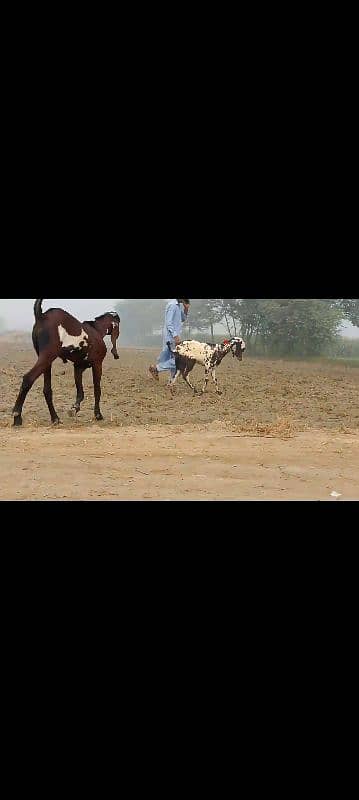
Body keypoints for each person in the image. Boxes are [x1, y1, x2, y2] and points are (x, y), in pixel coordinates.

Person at [149, 299, 190, 382]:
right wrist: (175, 335)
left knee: (174, 358)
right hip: (171, 337)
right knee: (178, 359)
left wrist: (186, 309)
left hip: (173, 337)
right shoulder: (172, 305)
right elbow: (169, 323)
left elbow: (183, 319)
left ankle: (171, 381)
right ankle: (157, 368)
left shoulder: (178, 306)